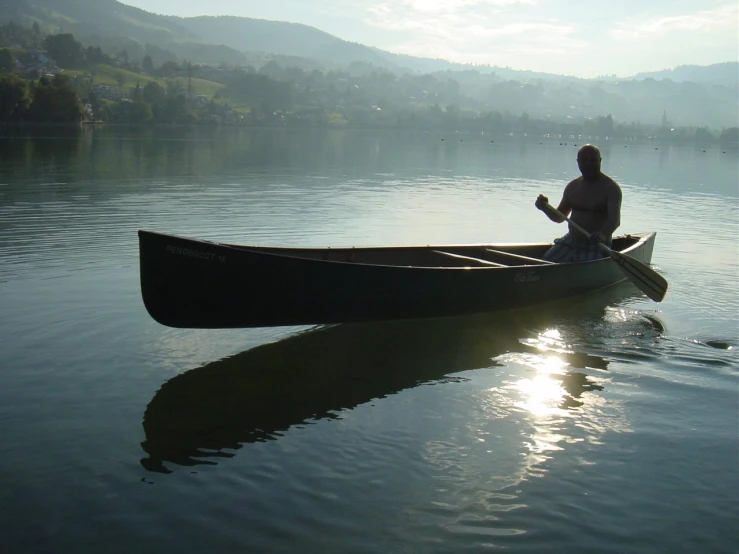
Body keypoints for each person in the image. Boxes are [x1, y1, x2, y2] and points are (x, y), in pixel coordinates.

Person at [535, 144, 622, 262]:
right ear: (578, 162)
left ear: (600, 161)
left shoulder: (611, 188)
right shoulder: (572, 187)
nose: (589, 164)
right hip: (571, 241)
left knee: (585, 266)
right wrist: (544, 208)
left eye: (593, 160)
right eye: (584, 160)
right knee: (544, 262)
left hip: (596, 244)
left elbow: (614, 221)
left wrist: (602, 234)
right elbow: (559, 217)